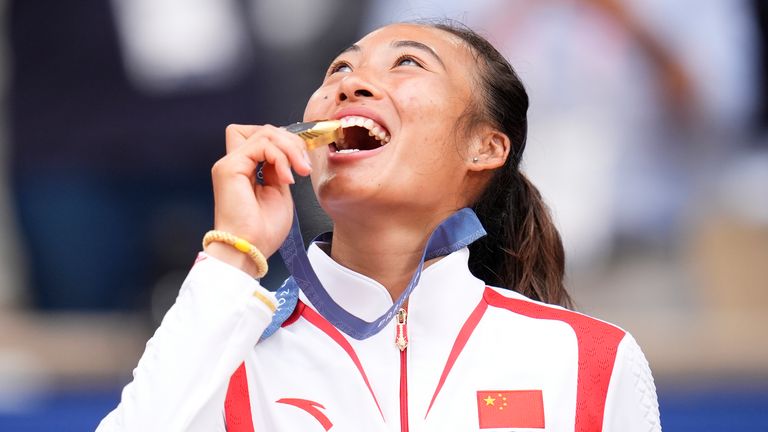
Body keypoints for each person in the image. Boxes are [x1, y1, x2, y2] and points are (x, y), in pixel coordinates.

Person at [98, 21, 660, 431]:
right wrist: (235, 255)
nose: (350, 84)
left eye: (408, 63)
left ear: (486, 146)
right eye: (339, 69)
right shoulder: (227, 349)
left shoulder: (589, 360)